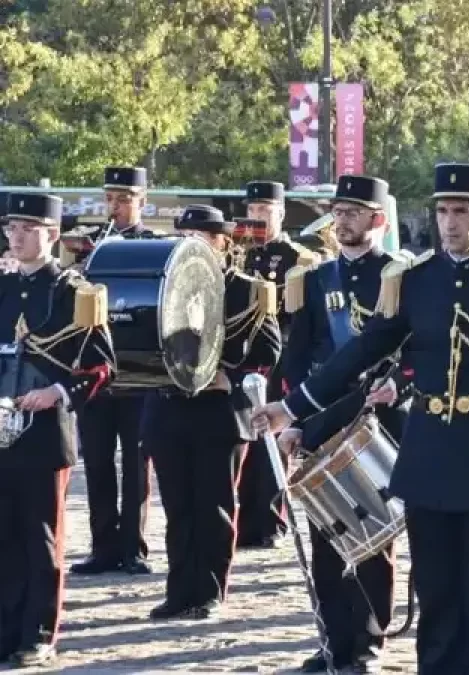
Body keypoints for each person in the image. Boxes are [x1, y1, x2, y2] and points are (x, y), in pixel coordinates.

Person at [253, 162, 469, 674]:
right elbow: (361, 352)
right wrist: (290, 407)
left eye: (462, 212)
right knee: (437, 596)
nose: (450, 223)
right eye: (443, 211)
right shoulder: (414, 279)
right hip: (428, 452)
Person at [273, 175, 408, 674]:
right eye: (338, 210)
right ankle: (333, 641)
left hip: (379, 422)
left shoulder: (402, 276)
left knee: (373, 539)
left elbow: (409, 352)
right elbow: (297, 358)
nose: (343, 219)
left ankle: (369, 642)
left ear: (379, 220)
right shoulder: (312, 280)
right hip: (322, 422)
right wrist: (294, 417)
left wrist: (400, 387)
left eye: (354, 211)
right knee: (326, 538)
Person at [144, 205, 282, 621]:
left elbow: (269, 350)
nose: (194, 244)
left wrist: (230, 375)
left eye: (204, 236)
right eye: (186, 236)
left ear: (225, 243)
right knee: (178, 507)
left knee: (214, 504)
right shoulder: (165, 286)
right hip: (168, 408)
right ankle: (179, 589)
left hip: (217, 412)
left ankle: (209, 590)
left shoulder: (245, 289)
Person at [0, 193, 117, 667]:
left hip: (44, 430)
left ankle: (40, 633)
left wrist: (58, 392)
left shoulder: (75, 291)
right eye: (12, 227)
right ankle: (7, 629)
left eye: (29, 227)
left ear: (51, 234)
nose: (18, 235)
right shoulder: (2, 288)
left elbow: (102, 364)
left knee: (40, 535)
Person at [72, 166, 156, 576]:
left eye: (124, 200)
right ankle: (102, 545)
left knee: (136, 463)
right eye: (110, 199)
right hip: (96, 376)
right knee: (99, 462)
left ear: (142, 201)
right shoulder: (92, 249)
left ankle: (133, 548)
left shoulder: (155, 247)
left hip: (137, 373)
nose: (115, 207)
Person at [235, 180, 318, 549]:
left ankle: (270, 519)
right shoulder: (239, 256)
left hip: (278, 355)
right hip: (241, 356)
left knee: (271, 437)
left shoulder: (296, 258)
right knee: (244, 437)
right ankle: (245, 517)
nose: (257, 217)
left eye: (265, 210)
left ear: (280, 213)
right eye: (252, 211)